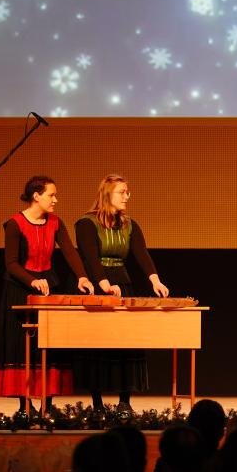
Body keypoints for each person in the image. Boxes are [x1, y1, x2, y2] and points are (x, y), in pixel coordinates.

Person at [0, 175, 94, 413]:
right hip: (20, 289)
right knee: (22, 346)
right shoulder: (15, 224)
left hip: (48, 287)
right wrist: (32, 280)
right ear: (36, 196)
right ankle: (24, 404)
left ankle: (47, 404)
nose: (55, 200)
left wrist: (82, 276)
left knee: (50, 345)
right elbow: (11, 263)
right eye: (51, 195)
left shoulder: (55, 222)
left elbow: (69, 252)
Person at [74, 174, 169, 411]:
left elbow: (142, 254)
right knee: (97, 345)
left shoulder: (129, 224)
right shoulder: (87, 223)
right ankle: (97, 403)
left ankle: (124, 401)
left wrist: (155, 281)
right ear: (107, 195)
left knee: (126, 343)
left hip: (122, 284)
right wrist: (104, 285)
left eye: (127, 192)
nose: (127, 196)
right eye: (122, 192)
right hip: (98, 286)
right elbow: (90, 258)